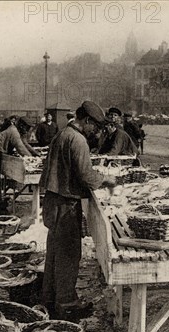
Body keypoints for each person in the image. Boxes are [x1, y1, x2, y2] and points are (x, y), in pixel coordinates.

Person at [39, 101, 116, 320]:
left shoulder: (63, 134)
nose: (96, 131)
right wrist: (107, 179)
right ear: (87, 121)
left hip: (54, 201)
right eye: (95, 126)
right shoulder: (78, 140)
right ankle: (67, 304)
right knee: (69, 255)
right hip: (65, 205)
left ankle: (50, 299)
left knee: (54, 253)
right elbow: (86, 176)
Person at [0, 116, 38, 214]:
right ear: (22, 126)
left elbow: (25, 143)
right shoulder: (14, 132)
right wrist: (33, 159)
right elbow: (21, 148)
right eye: (28, 128)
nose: (28, 130)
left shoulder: (16, 130)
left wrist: (36, 154)